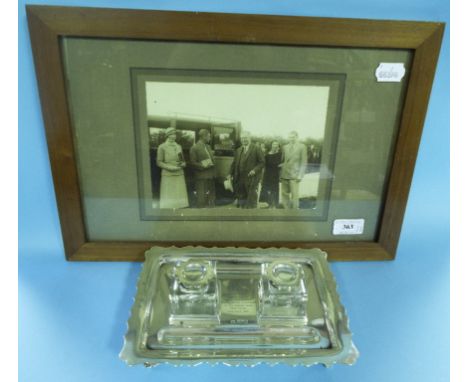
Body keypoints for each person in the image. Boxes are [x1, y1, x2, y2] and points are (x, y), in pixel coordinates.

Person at [229, 132, 265, 208]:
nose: (243, 140)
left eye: (245, 138)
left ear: (249, 138)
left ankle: (252, 216)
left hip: (251, 178)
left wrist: (254, 170)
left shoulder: (256, 148)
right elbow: (234, 163)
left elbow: (262, 162)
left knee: (251, 200)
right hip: (240, 178)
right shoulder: (238, 150)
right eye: (242, 138)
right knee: (241, 199)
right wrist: (229, 173)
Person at [156, 127, 189, 209]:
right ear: (167, 135)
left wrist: (183, 163)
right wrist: (169, 167)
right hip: (168, 174)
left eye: (174, 134)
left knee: (179, 197)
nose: (173, 136)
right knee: (169, 198)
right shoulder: (162, 147)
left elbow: (181, 159)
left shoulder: (178, 146)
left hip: (179, 173)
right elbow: (159, 162)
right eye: (171, 134)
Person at [279, 131, 307, 209]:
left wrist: (300, 175)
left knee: (295, 195)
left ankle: (295, 212)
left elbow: (303, 162)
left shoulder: (302, 147)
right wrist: (280, 172)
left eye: (293, 137)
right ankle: (286, 211)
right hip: (285, 174)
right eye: (290, 137)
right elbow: (283, 160)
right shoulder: (285, 147)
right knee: (284, 194)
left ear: (297, 137)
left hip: (295, 175)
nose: (291, 139)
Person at [189, 129, 216, 208]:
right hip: (201, 176)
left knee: (211, 197)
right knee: (201, 198)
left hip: (211, 175)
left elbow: (211, 159)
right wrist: (203, 165)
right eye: (209, 136)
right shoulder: (194, 148)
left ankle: (211, 211)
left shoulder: (208, 147)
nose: (210, 138)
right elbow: (193, 163)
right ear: (204, 136)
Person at [260, 141, 282, 208]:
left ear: (278, 146)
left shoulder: (280, 154)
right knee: (267, 190)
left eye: (276, 144)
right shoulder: (267, 155)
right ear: (271, 145)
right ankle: (268, 204)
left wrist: (282, 165)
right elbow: (264, 166)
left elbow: (283, 162)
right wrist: (262, 177)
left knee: (274, 190)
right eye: (274, 144)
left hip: (275, 175)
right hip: (267, 174)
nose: (275, 146)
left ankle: (274, 204)